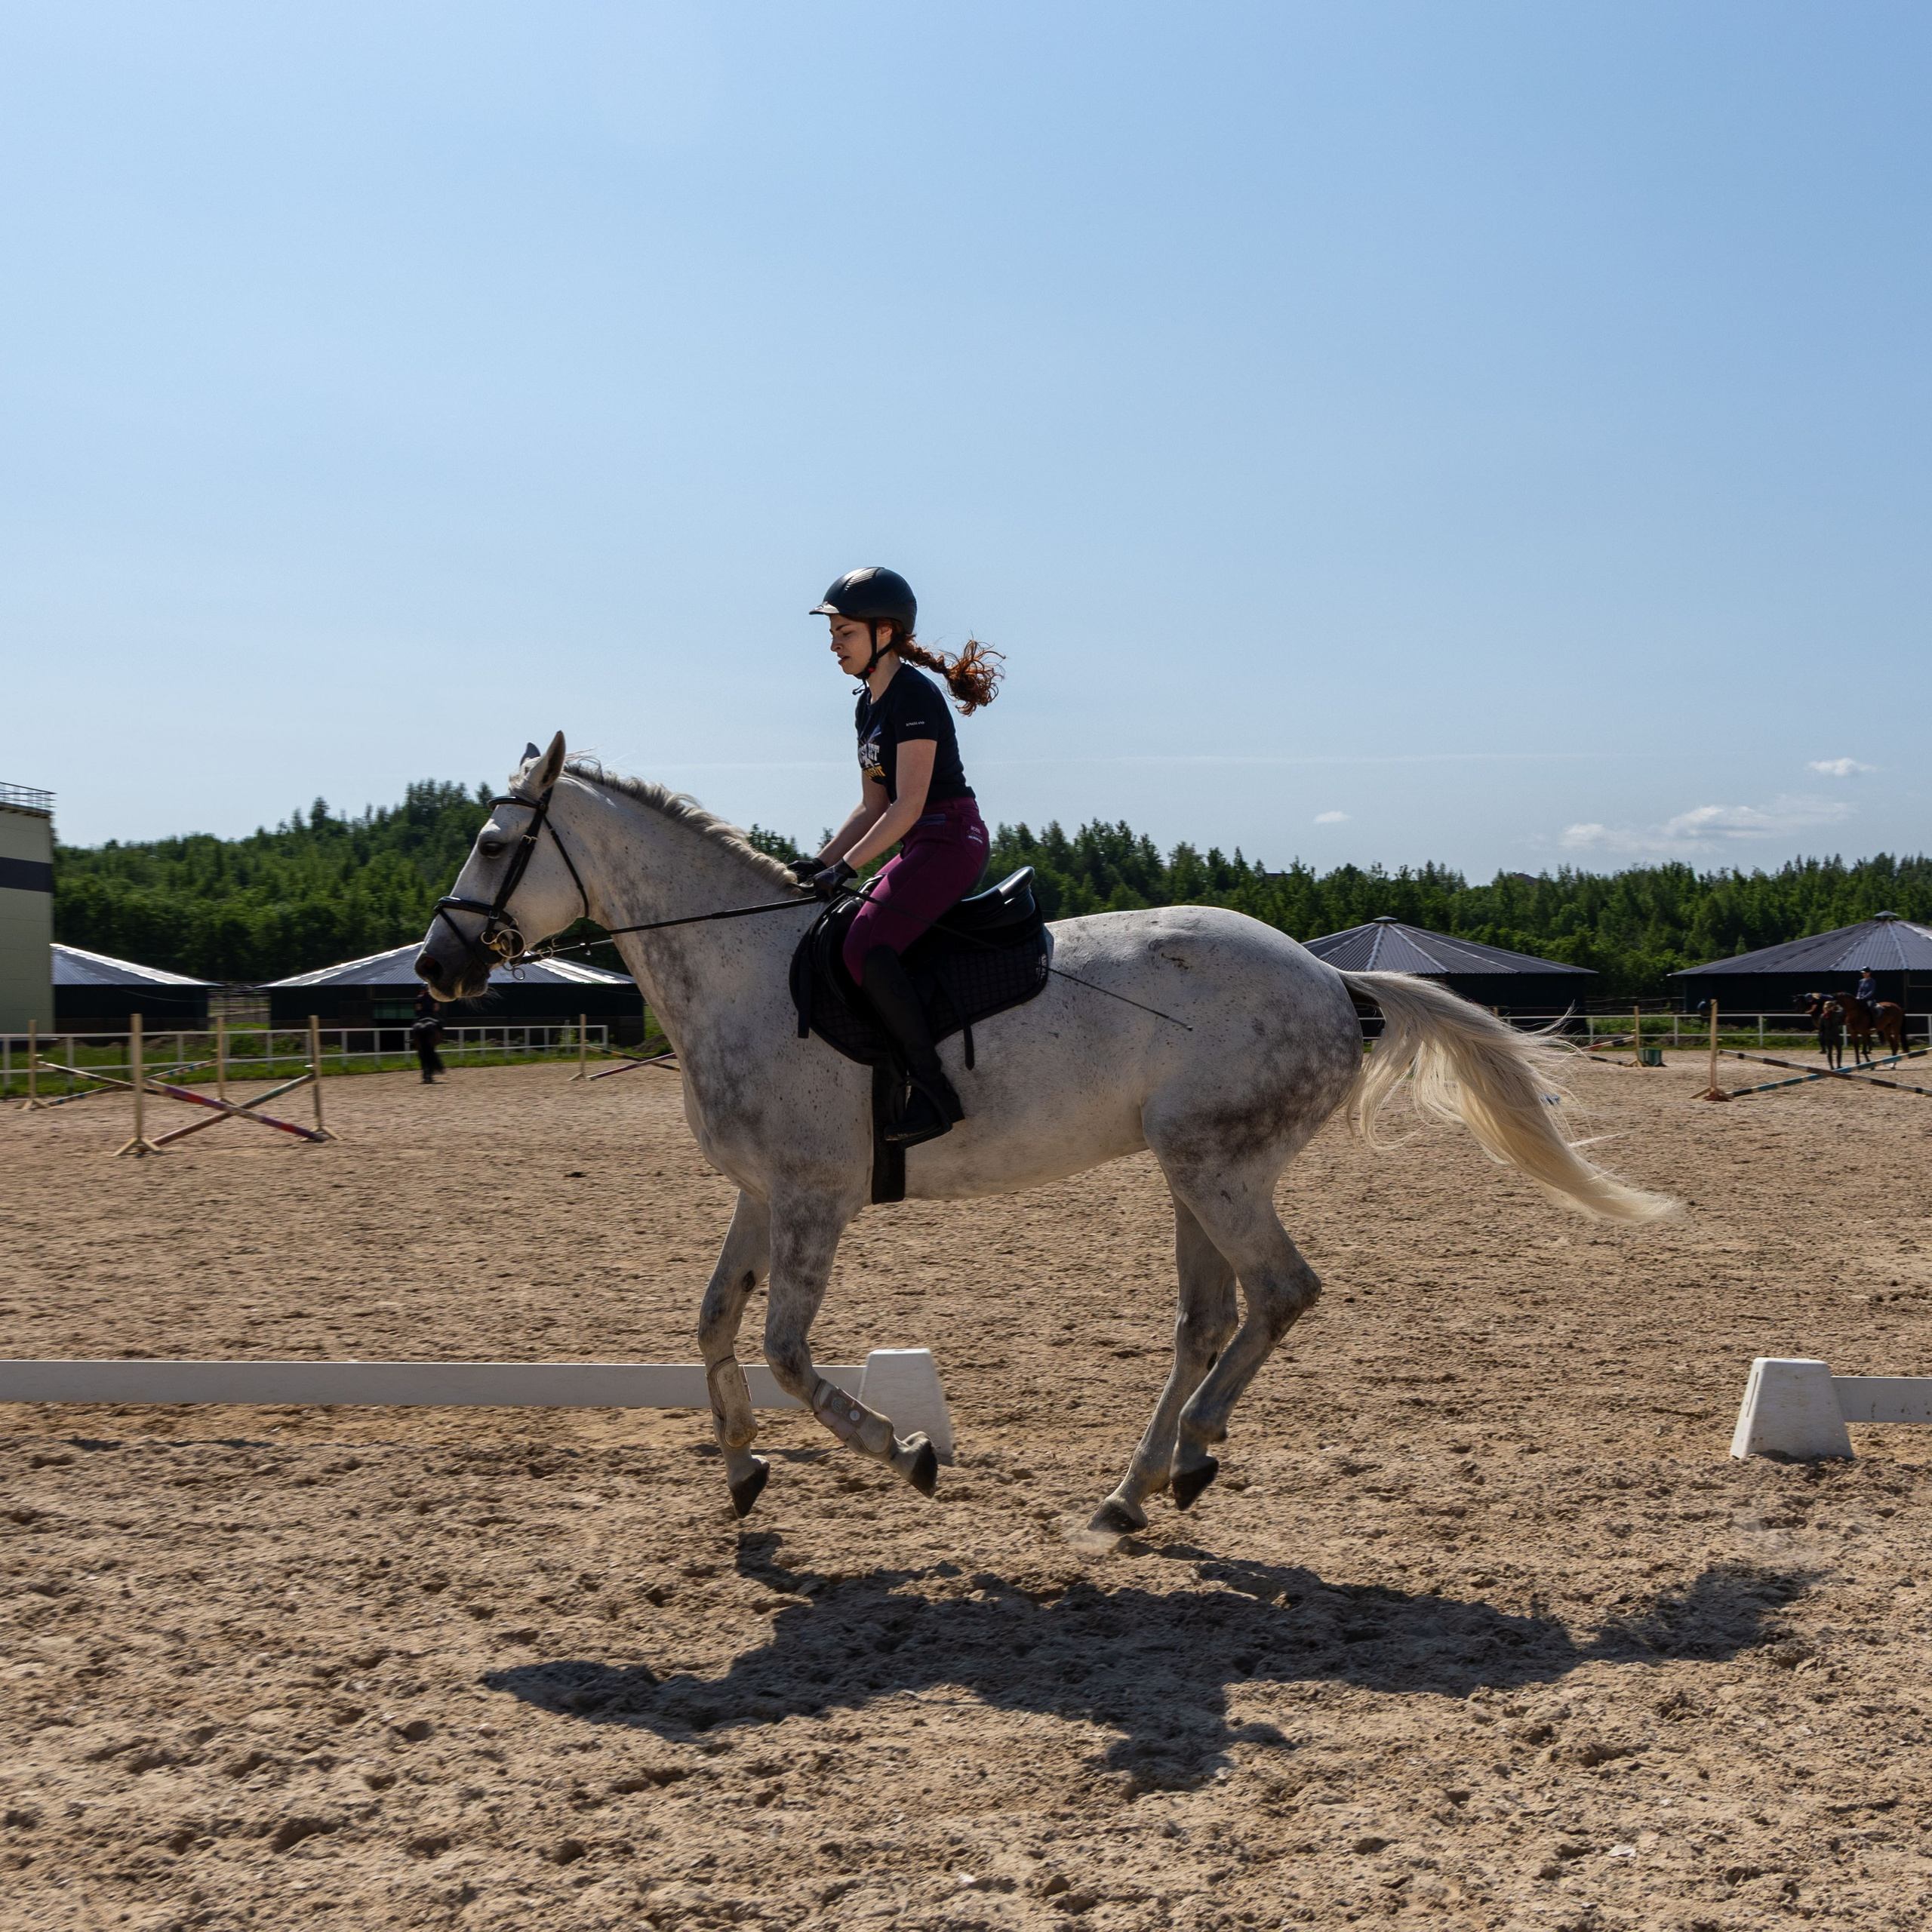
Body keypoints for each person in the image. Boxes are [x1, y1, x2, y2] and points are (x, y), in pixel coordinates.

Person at [797, 566, 1001, 1146]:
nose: (834, 645)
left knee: (866, 944)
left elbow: (908, 805)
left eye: (845, 633)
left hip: (951, 837)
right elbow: (872, 807)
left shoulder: (912, 695)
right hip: (918, 840)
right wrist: (818, 862)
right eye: (833, 634)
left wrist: (845, 869)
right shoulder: (867, 706)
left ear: (884, 631)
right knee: (841, 933)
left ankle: (934, 1092)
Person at [411, 987, 446, 1085]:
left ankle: (413, 1039)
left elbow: (418, 1008)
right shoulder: (434, 997)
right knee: (441, 1023)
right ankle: (442, 1037)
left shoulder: (419, 997)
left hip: (421, 1015)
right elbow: (437, 1008)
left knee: (413, 1025)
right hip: (432, 1015)